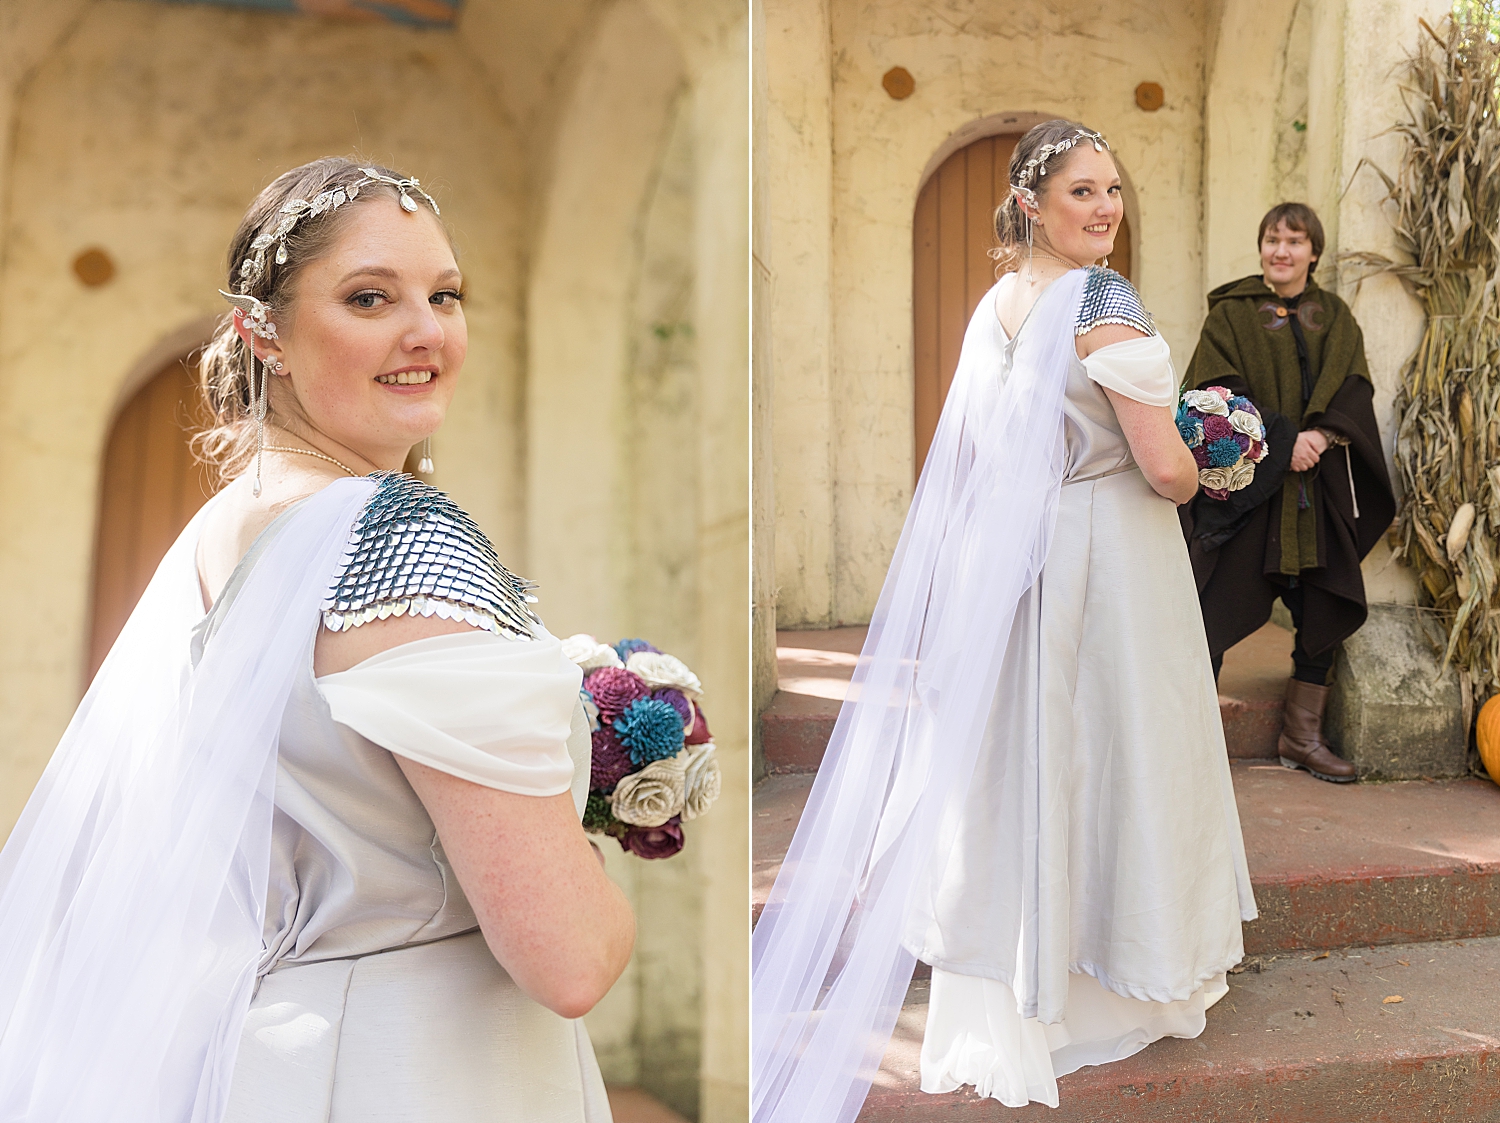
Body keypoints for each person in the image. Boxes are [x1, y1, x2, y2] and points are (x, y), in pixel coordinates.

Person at [0, 157, 634, 1121]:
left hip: (274, 1062)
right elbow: (570, 956)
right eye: (370, 297)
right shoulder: (401, 533)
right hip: (430, 1072)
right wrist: (588, 820)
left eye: (447, 294)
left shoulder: (233, 525)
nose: (427, 332)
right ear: (268, 335)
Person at [751, 121, 1255, 1121]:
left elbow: (983, 456)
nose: (1105, 207)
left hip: (1015, 562)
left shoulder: (999, 304)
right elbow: (1162, 467)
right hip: (1110, 562)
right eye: (1081, 191)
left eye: (1112, 189)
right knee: (1121, 753)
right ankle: (1117, 981)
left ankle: (1026, 986)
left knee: (1024, 766)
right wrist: (1219, 463)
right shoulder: (1101, 299)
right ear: (1031, 202)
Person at [1182, 203, 1395, 783]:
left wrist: (1321, 437)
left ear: (1313, 252)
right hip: (1251, 486)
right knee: (1216, 599)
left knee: (1324, 597)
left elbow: (1352, 388)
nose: (1281, 251)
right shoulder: (1231, 315)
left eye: (1294, 241)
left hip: (1313, 488)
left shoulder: (1335, 316)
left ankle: (1302, 737)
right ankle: (1188, 739)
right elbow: (1215, 391)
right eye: (1272, 239)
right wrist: (1282, 441)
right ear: (1261, 249)